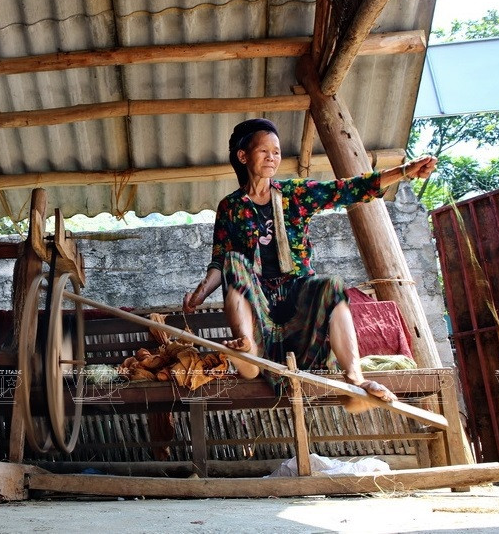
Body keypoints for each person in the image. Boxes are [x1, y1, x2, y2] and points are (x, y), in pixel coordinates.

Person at [182, 118, 437, 412]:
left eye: (276, 152)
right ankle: (248, 350)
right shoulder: (231, 207)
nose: (272, 157)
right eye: (264, 151)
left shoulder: (294, 194)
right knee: (233, 261)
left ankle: (355, 377)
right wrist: (200, 293)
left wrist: (403, 172)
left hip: (298, 303)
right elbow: (220, 260)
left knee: (331, 286)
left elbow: (346, 189)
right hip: (260, 308)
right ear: (243, 156)